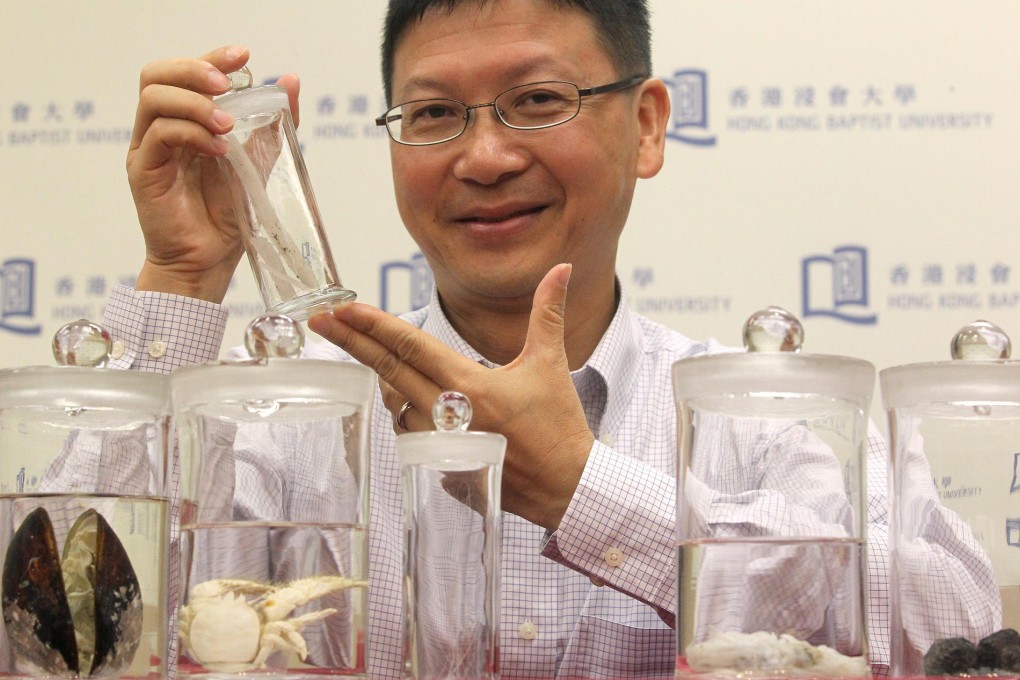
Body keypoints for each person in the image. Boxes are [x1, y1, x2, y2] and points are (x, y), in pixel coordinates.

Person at [109, 0, 999, 676]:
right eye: (432, 114)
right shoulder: (297, 411)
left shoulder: (772, 415)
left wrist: (589, 492)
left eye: (538, 101)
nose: (485, 157)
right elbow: (92, 630)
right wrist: (184, 274)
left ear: (646, 124)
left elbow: (961, 629)